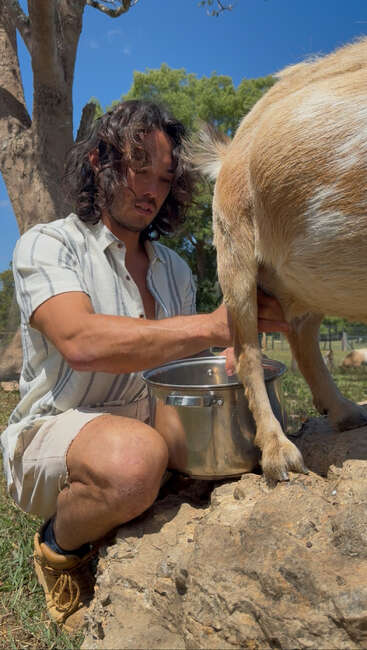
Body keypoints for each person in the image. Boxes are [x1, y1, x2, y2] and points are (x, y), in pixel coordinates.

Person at [1, 100, 288, 633]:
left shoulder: (173, 268)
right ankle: (59, 547)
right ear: (99, 162)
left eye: (164, 177)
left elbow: (190, 358)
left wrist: (234, 352)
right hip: (53, 434)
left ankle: (137, 498)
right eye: (139, 169)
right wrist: (216, 324)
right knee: (135, 462)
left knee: (246, 422)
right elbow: (81, 342)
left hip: (148, 427)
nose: (151, 190)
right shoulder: (48, 244)